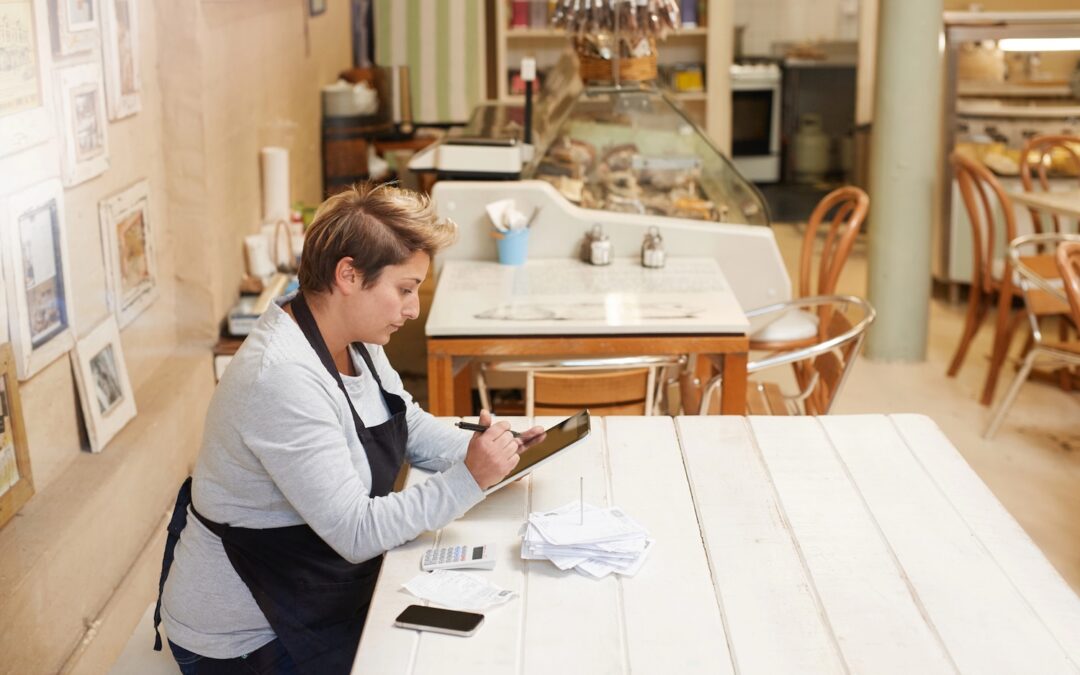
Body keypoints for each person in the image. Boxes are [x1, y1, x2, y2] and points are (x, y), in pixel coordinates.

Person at [154, 183, 545, 674]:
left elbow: (410, 426)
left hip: (315, 595)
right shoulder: (281, 377)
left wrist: (489, 450)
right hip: (248, 638)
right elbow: (357, 531)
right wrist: (470, 478)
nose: (413, 309)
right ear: (348, 275)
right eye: (405, 289)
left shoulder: (354, 337)